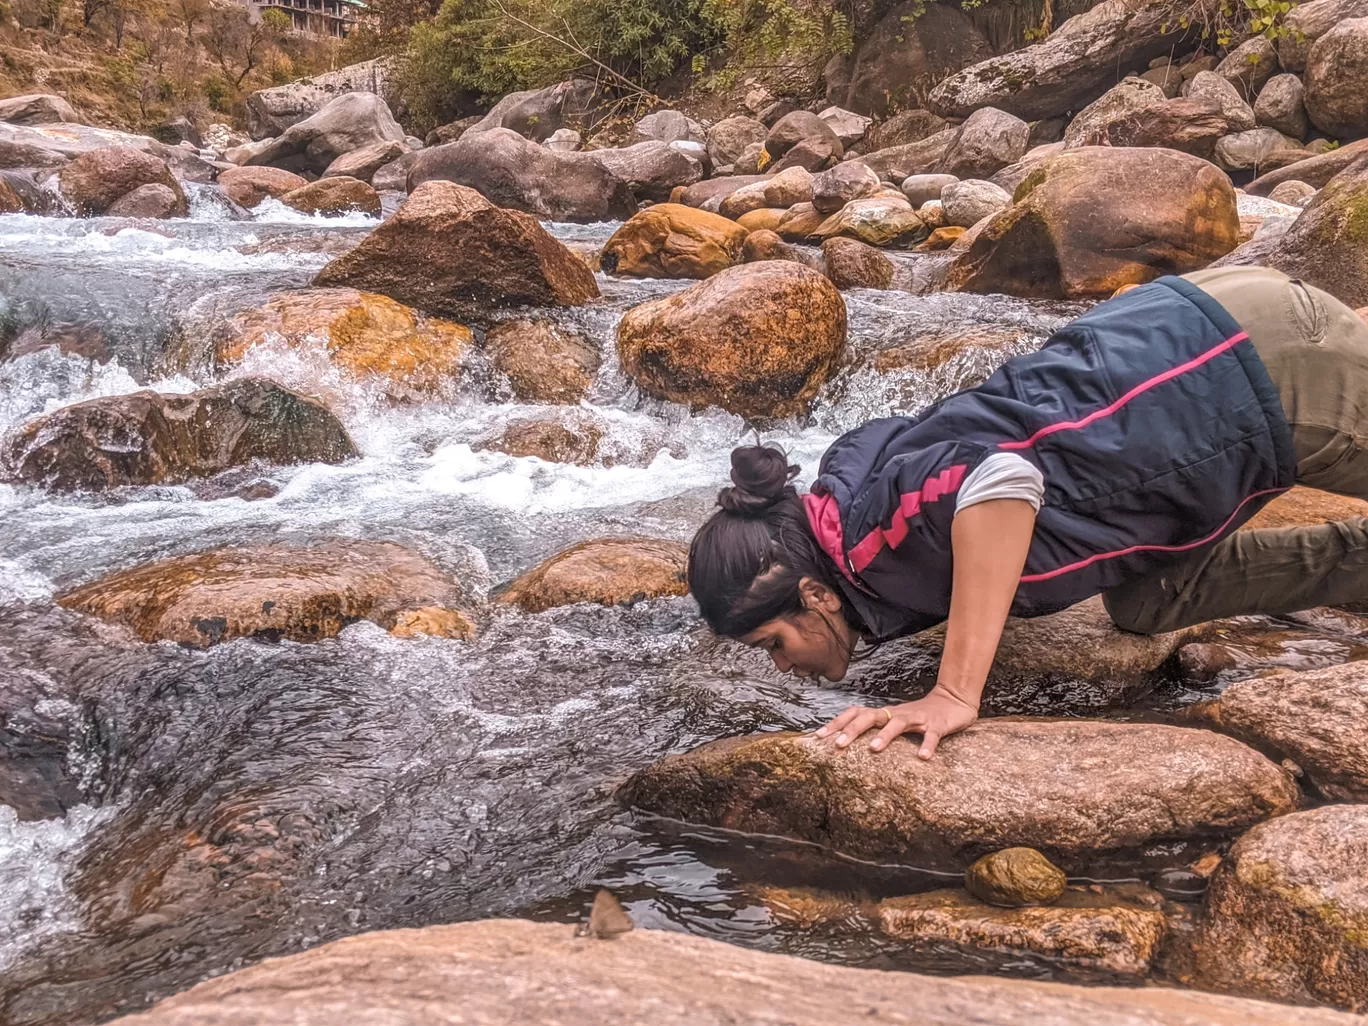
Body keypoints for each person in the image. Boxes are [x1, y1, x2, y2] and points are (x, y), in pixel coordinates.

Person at [687, 267, 1368, 759]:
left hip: (1251, 370)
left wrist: (955, 691)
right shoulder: (840, 496)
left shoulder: (870, 540)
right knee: (1149, 603)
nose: (781, 667)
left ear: (814, 594)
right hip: (1188, 328)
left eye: (773, 642)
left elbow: (998, 478)